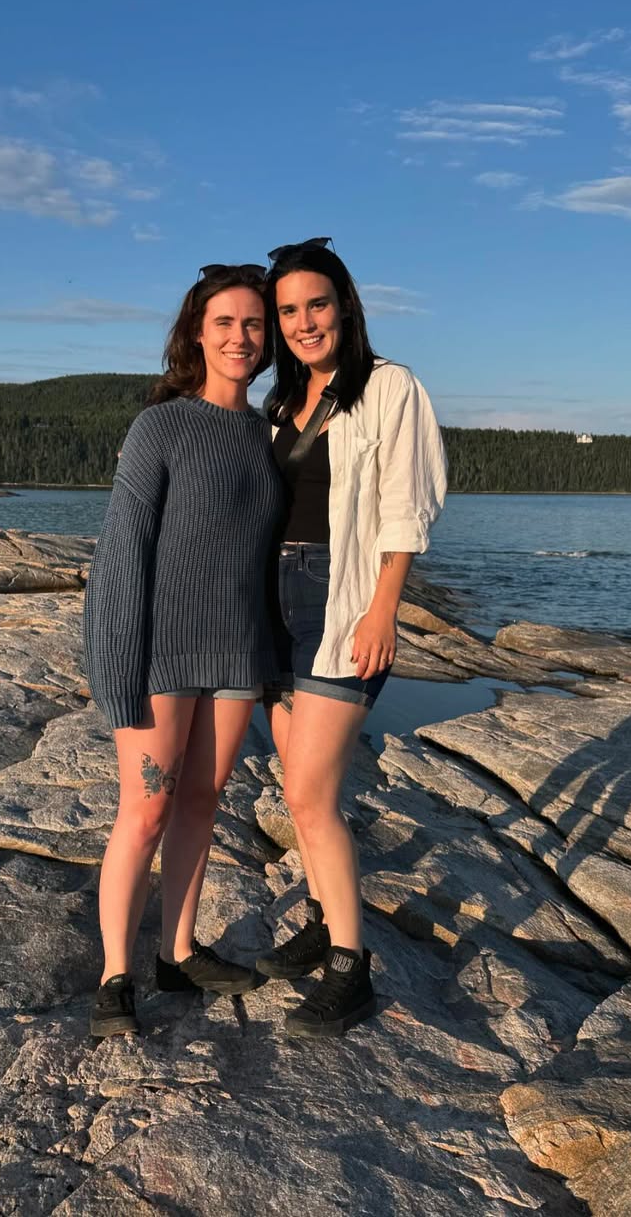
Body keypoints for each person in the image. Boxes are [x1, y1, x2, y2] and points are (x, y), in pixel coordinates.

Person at [83, 262, 283, 1037]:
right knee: (145, 811)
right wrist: (115, 667)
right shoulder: (161, 426)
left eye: (253, 323)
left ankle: (177, 950)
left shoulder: (267, 435)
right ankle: (115, 975)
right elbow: (122, 552)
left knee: (203, 803)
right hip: (162, 653)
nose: (241, 337)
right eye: (225, 322)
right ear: (197, 333)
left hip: (237, 654)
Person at [256, 237, 448, 1037]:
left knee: (307, 793)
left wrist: (383, 609)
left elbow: (407, 504)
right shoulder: (280, 404)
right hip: (273, 604)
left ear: (345, 307)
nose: (304, 323)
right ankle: (324, 916)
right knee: (301, 790)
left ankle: (351, 967)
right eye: (288, 311)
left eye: (317, 305)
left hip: (342, 598)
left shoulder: (388, 387)